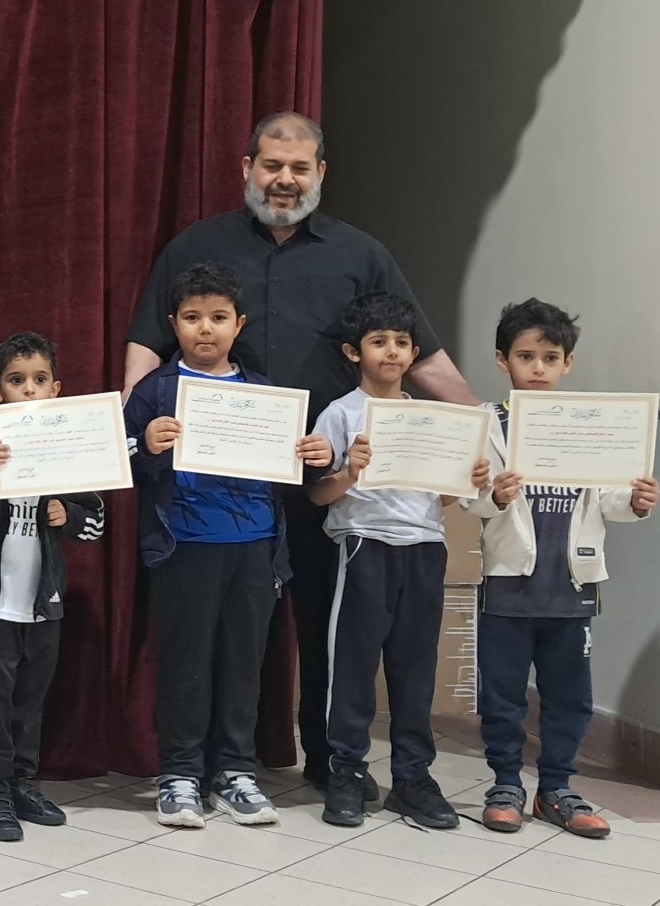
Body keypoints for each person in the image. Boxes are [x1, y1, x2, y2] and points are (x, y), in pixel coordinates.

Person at [121, 111, 476, 789]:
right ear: (247, 168)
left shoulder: (362, 255)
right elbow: (146, 345)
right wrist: (136, 436)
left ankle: (329, 761)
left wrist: (482, 425)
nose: (284, 179)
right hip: (220, 488)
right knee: (214, 628)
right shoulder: (197, 245)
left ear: (320, 174)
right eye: (272, 165)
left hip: (328, 474)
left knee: (324, 623)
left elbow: (421, 354)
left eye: (299, 167)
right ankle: (210, 765)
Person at [125, 263, 332, 828]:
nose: (205, 329)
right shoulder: (155, 390)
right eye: (192, 317)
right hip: (183, 548)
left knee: (243, 664)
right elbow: (117, 460)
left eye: (218, 317)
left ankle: (236, 771)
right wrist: (145, 444)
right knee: (185, 663)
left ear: (239, 324)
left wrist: (319, 456)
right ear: (174, 323)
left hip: (256, 549)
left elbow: (302, 472)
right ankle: (179, 774)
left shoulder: (267, 394)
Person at [459, 299, 659, 838]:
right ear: (502, 360)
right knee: (502, 696)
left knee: (569, 696)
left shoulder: (586, 424)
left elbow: (609, 499)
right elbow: (468, 498)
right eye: (526, 356)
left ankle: (557, 788)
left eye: (550, 358)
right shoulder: (488, 423)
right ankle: (506, 784)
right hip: (507, 584)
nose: (538, 368)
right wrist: (495, 496)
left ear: (568, 364)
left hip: (571, 586)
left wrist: (636, 501)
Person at [307, 292, 489, 829]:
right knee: (353, 667)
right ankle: (346, 771)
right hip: (363, 545)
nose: (391, 351)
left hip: (425, 549)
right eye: (379, 341)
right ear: (353, 351)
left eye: (402, 342)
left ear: (413, 354)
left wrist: (468, 480)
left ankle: (412, 777)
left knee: (415, 671)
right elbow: (318, 495)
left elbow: (443, 498)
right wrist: (350, 472)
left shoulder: (430, 419)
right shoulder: (340, 413)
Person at [0, 332, 106, 843]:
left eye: (40, 380)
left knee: (31, 694)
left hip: (45, 598)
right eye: (17, 381)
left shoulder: (66, 445)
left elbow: (96, 522)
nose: (29, 389)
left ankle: (22, 780)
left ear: (56, 389)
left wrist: (68, 515)